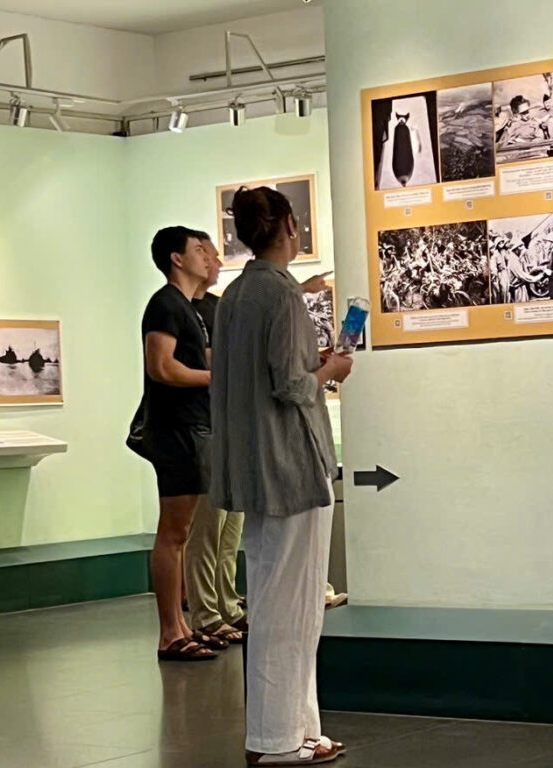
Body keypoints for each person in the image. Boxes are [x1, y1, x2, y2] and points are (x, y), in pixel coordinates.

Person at [211, 186, 352, 766]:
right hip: (292, 467)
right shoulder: (283, 297)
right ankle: (275, 741)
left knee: (280, 602)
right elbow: (293, 385)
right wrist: (332, 369)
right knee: (288, 609)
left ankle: (298, 729)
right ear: (290, 226)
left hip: (254, 467)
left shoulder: (233, 297)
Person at [141, 225, 218, 662]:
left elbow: (197, 359)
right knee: (173, 532)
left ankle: (182, 625)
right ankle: (170, 631)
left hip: (192, 426)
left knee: (182, 532)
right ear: (176, 258)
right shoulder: (165, 304)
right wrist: (215, 379)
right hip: (175, 429)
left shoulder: (187, 308)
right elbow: (162, 369)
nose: (206, 256)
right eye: (197, 249)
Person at [182, 231, 247, 648]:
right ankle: (205, 612)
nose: (215, 261)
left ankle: (229, 604)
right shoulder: (180, 311)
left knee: (230, 526)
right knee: (206, 527)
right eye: (204, 252)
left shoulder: (217, 306)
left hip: (227, 424)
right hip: (201, 425)